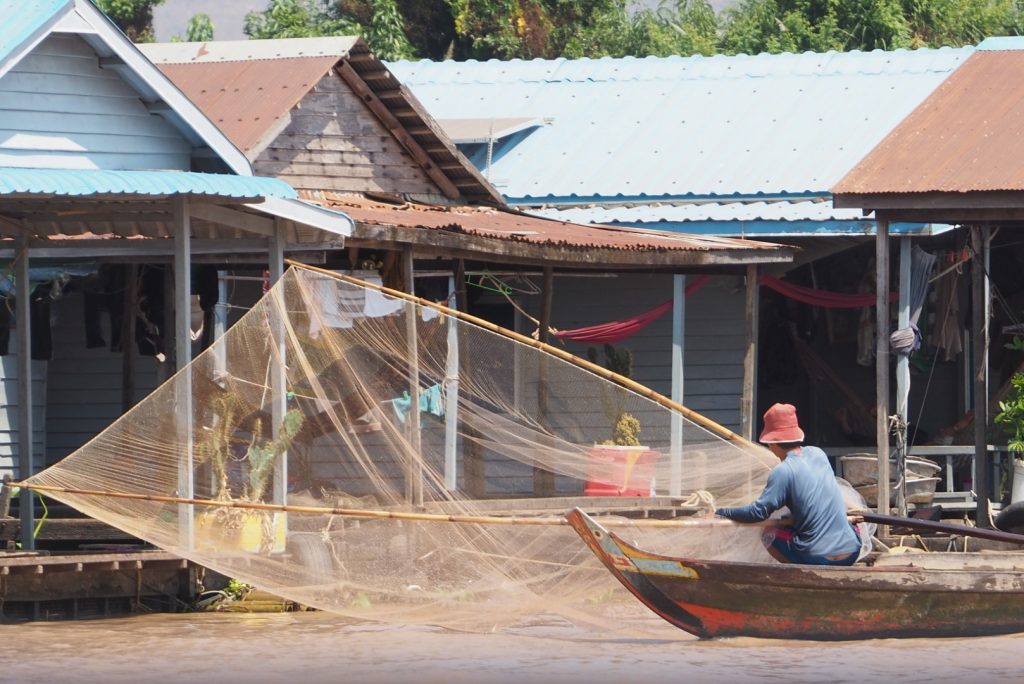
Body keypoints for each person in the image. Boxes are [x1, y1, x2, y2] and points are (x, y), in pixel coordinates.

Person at [715, 403, 862, 566]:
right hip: (852, 551)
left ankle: (800, 573)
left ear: (772, 444)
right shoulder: (818, 453)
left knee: (768, 534)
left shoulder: (783, 471)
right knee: (849, 528)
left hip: (818, 557)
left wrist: (721, 511)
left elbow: (757, 513)